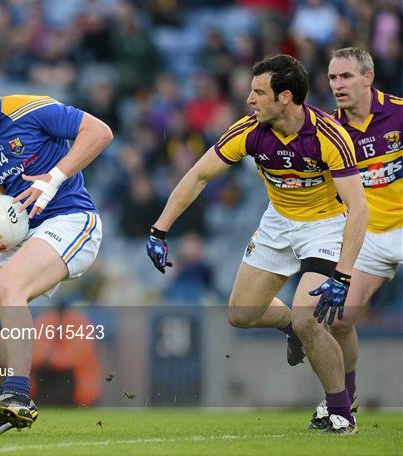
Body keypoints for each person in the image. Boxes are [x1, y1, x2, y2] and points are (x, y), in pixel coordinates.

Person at [146, 55, 368, 434]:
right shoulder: (249, 130)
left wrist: (344, 276)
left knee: (308, 318)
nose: (249, 98)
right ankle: (291, 329)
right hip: (278, 223)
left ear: (284, 97)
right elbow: (199, 175)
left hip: (325, 228)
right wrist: (159, 229)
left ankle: (340, 411)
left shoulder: (329, 136)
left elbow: (359, 209)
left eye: (258, 91)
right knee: (241, 315)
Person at [0, 56, 112, 435]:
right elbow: (3, 208)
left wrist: (54, 176)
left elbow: (100, 132)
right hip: (30, 233)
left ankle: (17, 392)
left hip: (72, 219)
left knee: (8, 287)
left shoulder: (30, 108)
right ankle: (9, 405)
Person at [308, 47, 402, 430]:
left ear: (368, 77)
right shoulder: (332, 130)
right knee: (340, 319)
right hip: (368, 236)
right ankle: (345, 400)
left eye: (346, 76)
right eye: (332, 78)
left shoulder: (399, 111)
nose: (338, 85)